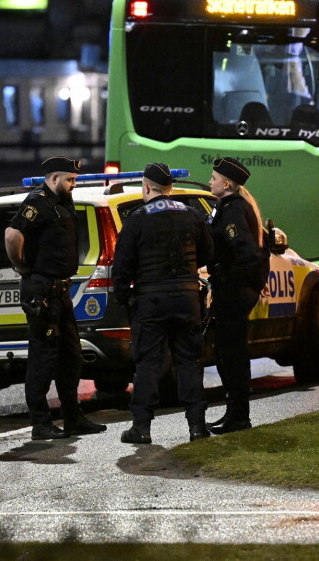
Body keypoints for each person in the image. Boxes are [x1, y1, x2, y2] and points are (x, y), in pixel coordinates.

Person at [5, 156, 107, 440]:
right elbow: (12, 234)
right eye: (70, 180)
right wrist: (21, 266)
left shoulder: (62, 200)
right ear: (53, 178)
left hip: (60, 291)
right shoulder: (37, 201)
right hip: (42, 291)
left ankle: (73, 417)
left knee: (70, 356)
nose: (73, 184)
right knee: (43, 357)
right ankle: (40, 423)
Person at [113, 163, 215, 444]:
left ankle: (141, 428)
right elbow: (208, 253)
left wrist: (124, 298)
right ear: (169, 188)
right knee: (188, 362)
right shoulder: (192, 215)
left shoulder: (136, 219)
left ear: (146, 187)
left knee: (147, 364)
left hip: (150, 300)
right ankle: (196, 427)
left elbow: (121, 266)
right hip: (186, 298)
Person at [206, 156, 269, 434]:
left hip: (233, 291)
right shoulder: (231, 207)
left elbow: (242, 250)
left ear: (227, 183)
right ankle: (233, 412)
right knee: (226, 352)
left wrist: (237, 282)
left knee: (232, 354)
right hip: (231, 289)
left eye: (213, 178)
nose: (210, 181)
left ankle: (239, 416)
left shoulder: (232, 211)